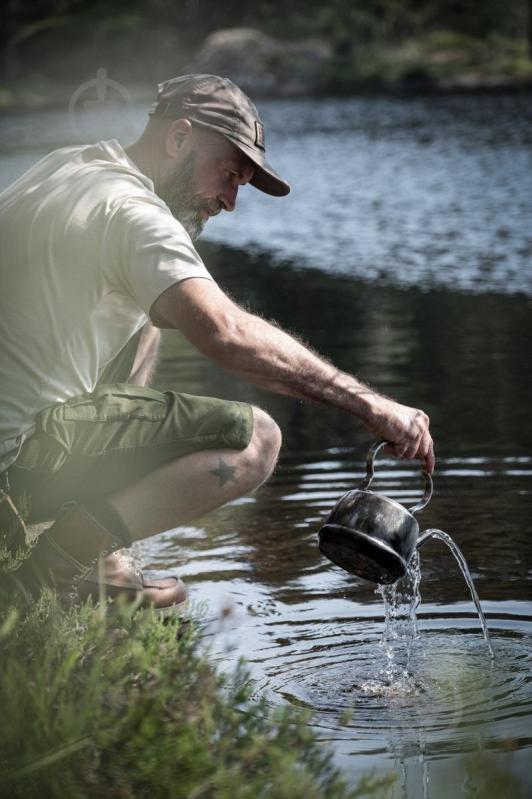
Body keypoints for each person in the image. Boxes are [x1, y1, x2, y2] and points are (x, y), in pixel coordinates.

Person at [0, 74, 434, 614]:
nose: (230, 201)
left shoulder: (69, 167)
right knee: (255, 441)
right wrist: (369, 404)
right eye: (228, 174)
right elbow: (226, 334)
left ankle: (104, 558)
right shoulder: (134, 213)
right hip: (14, 466)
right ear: (180, 137)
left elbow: (169, 313)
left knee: (155, 315)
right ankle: (51, 570)